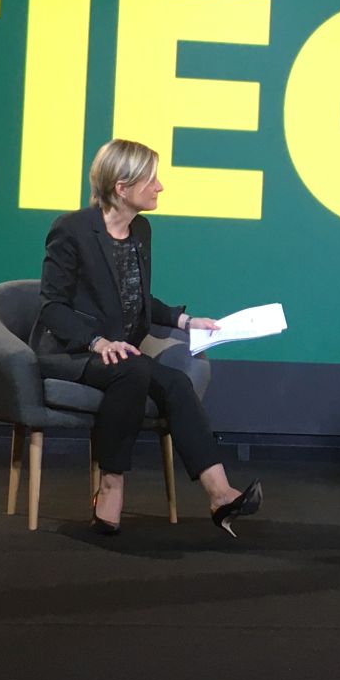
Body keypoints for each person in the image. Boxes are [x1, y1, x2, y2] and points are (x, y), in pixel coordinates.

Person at [30, 138, 263, 537]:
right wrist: (97, 342)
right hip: (74, 351)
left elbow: (136, 298)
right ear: (122, 188)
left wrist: (185, 321)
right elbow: (52, 307)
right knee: (134, 370)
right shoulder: (71, 230)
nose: (160, 187)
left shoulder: (140, 229)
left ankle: (220, 494)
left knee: (175, 383)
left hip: (123, 354)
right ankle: (111, 484)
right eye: (151, 179)